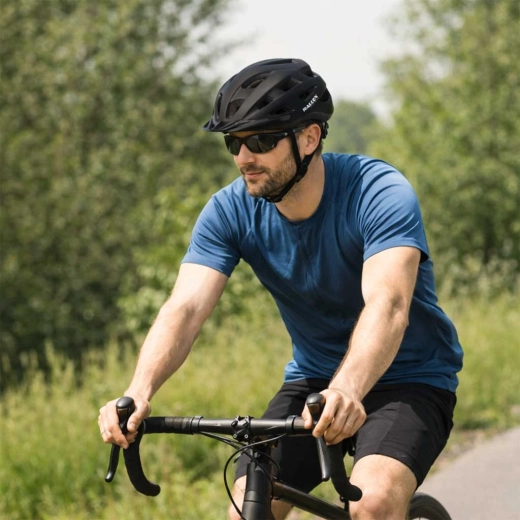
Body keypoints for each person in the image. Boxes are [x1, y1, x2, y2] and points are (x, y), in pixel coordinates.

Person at [99, 58, 463, 520]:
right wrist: (139, 390)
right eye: (234, 142)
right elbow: (185, 309)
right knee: (246, 509)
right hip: (312, 382)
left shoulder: (377, 191)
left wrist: (347, 389)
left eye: (261, 141)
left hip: (410, 379)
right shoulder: (228, 211)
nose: (243, 158)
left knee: (371, 504)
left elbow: (388, 304)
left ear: (309, 138)